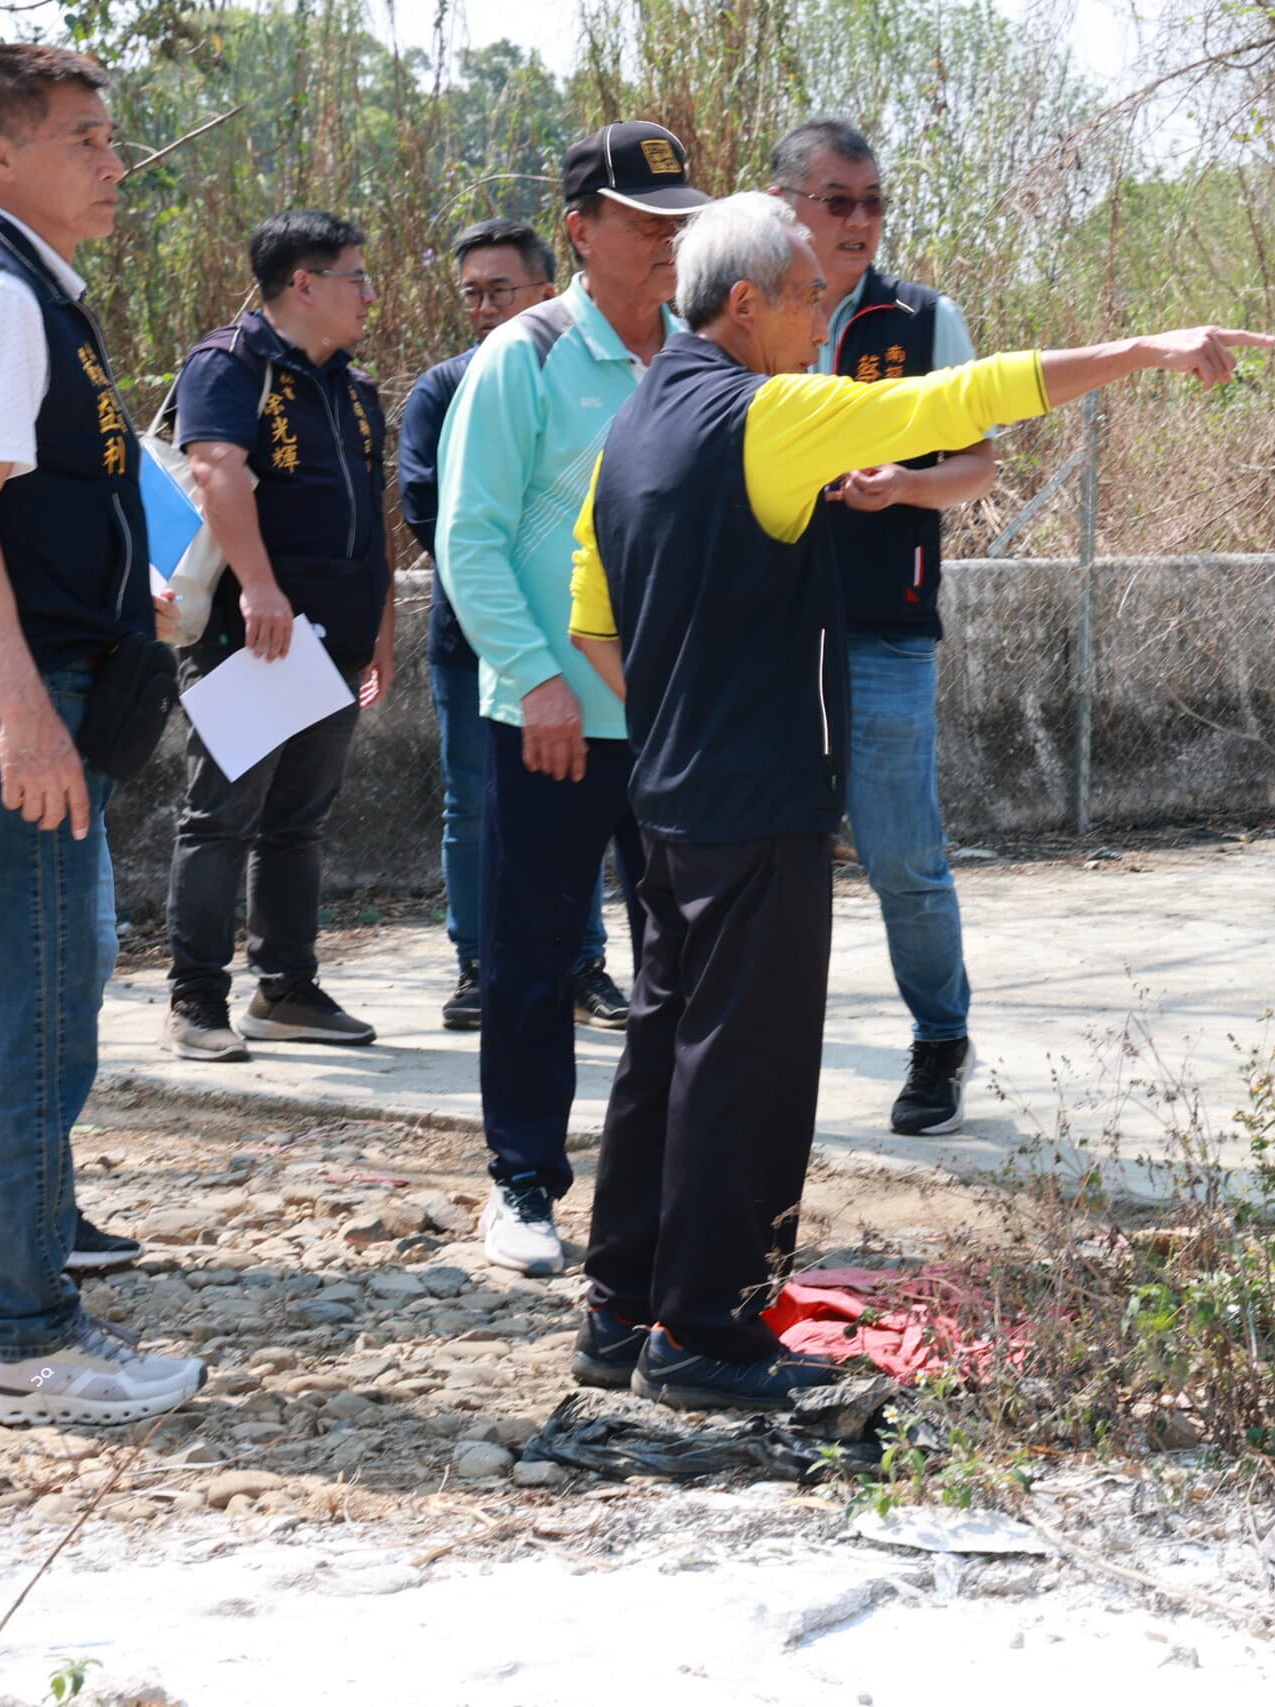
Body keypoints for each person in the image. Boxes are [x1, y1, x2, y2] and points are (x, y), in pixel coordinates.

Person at [561, 191, 1270, 1408]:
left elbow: (592, 622)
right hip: (755, 794)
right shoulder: (762, 414)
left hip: (669, 794)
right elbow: (951, 402)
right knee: (747, 1062)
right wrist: (1145, 349)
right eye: (808, 300)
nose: (824, 321)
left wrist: (689, 706)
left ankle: (622, 1313)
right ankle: (707, 1335)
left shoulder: (634, 422)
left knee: (664, 1053)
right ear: (743, 305)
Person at [0, 43, 203, 1423]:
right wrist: (29, 706)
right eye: (84, 137)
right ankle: (28, 1335)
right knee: (21, 1026)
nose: (112, 159)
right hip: (0, 712)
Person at [438, 122, 705, 1276]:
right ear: (582, 230)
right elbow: (471, 539)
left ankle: (668, 1187)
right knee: (537, 960)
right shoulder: (528, 356)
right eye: (642, 222)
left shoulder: (707, 356)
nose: (664, 242)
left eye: (678, 222)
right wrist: (537, 681)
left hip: (680, 726)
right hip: (553, 725)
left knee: (681, 966)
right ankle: (522, 1184)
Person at [769, 118, 991, 1135]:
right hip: (764, 628)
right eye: (837, 200)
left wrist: (903, 482)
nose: (858, 221)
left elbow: (978, 467)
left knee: (901, 852)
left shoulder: (921, 319)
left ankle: (941, 1039)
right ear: (787, 208)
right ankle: (761, 1049)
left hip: (884, 628)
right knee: (766, 849)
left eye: (872, 202)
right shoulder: (743, 314)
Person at [158, 208, 393, 1062]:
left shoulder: (354, 388)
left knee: (299, 820)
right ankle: (196, 998)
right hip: (252, 637)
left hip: (335, 639)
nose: (370, 293)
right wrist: (260, 587)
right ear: (304, 283)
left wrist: (383, 628)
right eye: (355, 277)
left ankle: (286, 988)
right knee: (219, 816)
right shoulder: (232, 364)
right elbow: (217, 468)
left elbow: (371, 513)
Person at [399, 217, 626, 1033]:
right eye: (472, 293)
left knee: (590, 821)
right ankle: (477, 961)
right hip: (481, 644)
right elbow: (439, 515)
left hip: (600, 666)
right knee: (475, 807)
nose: (486, 306)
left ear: (546, 283)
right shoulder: (448, 385)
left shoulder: (633, 357)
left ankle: (583, 963)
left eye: (502, 289)